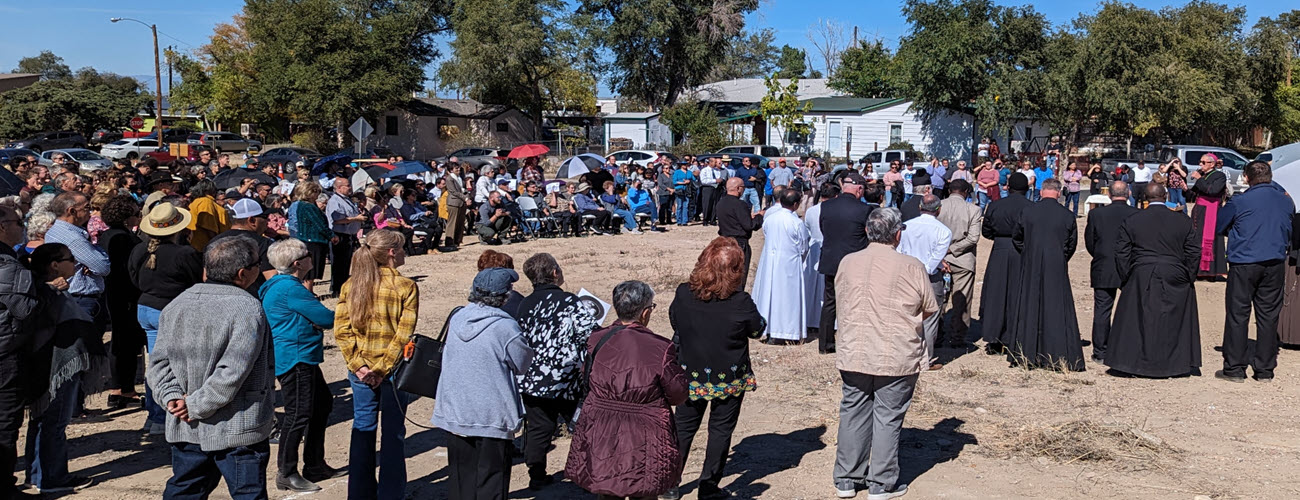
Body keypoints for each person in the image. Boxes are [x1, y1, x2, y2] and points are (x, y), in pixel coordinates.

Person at [148, 236, 275, 499]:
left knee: (185, 490)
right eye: (257, 263)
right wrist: (191, 405)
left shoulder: (176, 304)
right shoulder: (246, 308)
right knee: (247, 493)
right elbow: (232, 371)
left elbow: (158, 363)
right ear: (243, 273)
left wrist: (172, 399)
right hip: (236, 429)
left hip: (187, 425)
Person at [833, 208, 936, 500]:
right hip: (895, 352)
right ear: (898, 234)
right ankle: (880, 483)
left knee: (853, 411)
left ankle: (846, 479)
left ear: (867, 231)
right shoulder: (911, 266)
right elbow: (930, 306)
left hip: (855, 349)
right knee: (888, 416)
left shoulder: (848, 261)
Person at [565, 281, 689, 500]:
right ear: (644, 313)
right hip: (646, 432)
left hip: (601, 425)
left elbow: (587, 376)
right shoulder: (660, 347)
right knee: (644, 490)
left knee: (606, 486)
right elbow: (677, 393)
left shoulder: (597, 339)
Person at [667, 238, 766, 499]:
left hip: (690, 373)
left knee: (684, 428)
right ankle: (708, 487)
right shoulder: (741, 302)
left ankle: (670, 484)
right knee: (720, 430)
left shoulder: (683, 293)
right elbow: (757, 330)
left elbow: (674, 321)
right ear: (736, 271)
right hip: (729, 376)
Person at [433, 268, 533, 499]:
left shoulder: (457, 318)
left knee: (461, 479)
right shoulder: (506, 328)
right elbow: (522, 363)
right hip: (492, 416)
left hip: (456, 411)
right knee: (492, 481)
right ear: (505, 296)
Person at [333, 229, 418, 499]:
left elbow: (341, 331)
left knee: (363, 430)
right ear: (392, 253)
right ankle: (391, 494)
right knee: (393, 435)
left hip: (360, 371)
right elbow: (403, 334)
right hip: (392, 371)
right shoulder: (406, 287)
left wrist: (359, 366)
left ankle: (359, 493)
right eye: (402, 248)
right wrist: (382, 368)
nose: (405, 252)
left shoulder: (351, 285)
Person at [261, 239, 341, 492]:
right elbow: (326, 318)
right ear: (298, 263)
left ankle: (315, 463)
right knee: (298, 414)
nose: (312, 258)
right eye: (307, 255)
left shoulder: (278, 284)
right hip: (295, 357)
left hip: (298, 355)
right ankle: (286, 471)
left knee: (322, 405)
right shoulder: (291, 289)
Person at [512, 254, 598, 489]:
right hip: (565, 379)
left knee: (539, 428)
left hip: (531, 379)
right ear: (554, 273)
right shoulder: (568, 301)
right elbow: (590, 333)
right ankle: (586, 473)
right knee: (583, 425)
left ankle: (536, 475)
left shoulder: (524, 303)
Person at [23, 243, 102, 495]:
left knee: (42, 421)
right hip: (57, 364)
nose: (75, 264)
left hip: (49, 364)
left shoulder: (43, 290)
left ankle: (37, 475)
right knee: (54, 422)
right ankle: (52, 478)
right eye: (70, 259)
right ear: (54, 265)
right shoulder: (44, 293)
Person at [1106, 184, 1201, 377]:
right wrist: (1188, 275)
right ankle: (1174, 364)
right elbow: (1193, 251)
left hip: (1142, 270)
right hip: (1173, 270)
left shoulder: (1133, 220)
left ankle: (1133, 363)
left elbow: (1122, 252)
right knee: (1173, 319)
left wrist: (1127, 276)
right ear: (1165, 196)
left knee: (1138, 319)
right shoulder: (1182, 221)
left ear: (1144, 198)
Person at [1214, 161, 1294, 382]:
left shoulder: (1239, 201)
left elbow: (1219, 226)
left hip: (1245, 262)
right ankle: (1265, 369)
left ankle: (1235, 368)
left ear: (1246, 178)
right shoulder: (1286, 201)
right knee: (1268, 316)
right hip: (1274, 262)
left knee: (1238, 314)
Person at [1008, 178, 1083, 371]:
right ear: (1058, 193)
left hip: (1032, 262)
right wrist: (1060, 257)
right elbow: (1071, 244)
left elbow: (1017, 238)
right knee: (1056, 307)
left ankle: (1026, 352)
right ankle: (1057, 353)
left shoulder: (1028, 211)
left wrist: (1028, 252)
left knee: (1029, 304)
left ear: (1041, 192)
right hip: (1056, 263)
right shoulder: (1067, 215)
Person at [0, 205, 41, 500]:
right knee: (5, 421)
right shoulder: (10, 266)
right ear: (2, 226)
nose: (21, 226)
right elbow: (26, 312)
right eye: (17, 222)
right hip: (6, 353)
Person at [98, 195, 145, 408]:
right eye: (136, 213)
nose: (139, 216)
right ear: (127, 218)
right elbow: (124, 269)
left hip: (115, 294)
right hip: (124, 295)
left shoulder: (109, 235)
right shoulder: (121, 239)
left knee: (121, 341)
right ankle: (123, 389)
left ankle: (121, 388)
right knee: (125, 342)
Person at [978, 173, 1034, 354]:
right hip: (1021, 250)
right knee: (1017, 292)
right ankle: (1015, 336)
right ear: (1026, 189)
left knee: (996, 293)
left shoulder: (995, 206)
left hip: (1000, 249)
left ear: (1008, 187)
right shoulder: (1031, 207)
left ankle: (994, 338)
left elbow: (986, 231)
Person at [818, 173, 873, 354]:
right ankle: (851, 340)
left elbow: (823, 229)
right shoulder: (864, 209)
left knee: (830, 302)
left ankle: (825, 344)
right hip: (854, 261)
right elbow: (869, 235)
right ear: (859, 189)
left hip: (831, 258)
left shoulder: (826, 206)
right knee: (854, 302)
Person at [1083, 182, 1138, 362]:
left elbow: (1090, 241)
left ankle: (1100, 351)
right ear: (1128, 193)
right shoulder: (1136, 214)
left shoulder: (1097, 214)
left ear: (1109, 195)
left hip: (1104, 264)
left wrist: (1100, 254)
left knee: (1102, 310)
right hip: (1129, 266)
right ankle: (1127, 348)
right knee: (1131, 309)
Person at [897, 194, 952, 370]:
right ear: (938, 209)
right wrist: (925, 269)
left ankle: (904, 354)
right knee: (930, 318)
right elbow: (936, 258)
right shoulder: (943, 231)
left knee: (906, 315)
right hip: (930, 276)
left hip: (907, 274)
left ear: (920, 207)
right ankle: (925, 359)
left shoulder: (906, 226)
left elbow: (899, 250)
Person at [751, 188, 810, 343]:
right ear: (796, 204)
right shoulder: (796, 222)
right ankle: (787, 331)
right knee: (787, 298)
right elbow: (804, 245)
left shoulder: (770, 218)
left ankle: (769, 329)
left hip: (770, 262)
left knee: (770, 295)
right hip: (789, 264)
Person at [936, 180, 981, 347]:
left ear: (949, 190)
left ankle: (936, 335)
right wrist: (954, 249)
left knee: (939, 298)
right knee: (962, 300)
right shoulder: (973, 210)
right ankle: (957, 338)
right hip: (963, 260)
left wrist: (944, 251)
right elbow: (973, 238)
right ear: (967, 191)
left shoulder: (938, 205)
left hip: (939, 260)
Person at [209, 199, 275, 294]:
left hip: (217, 298)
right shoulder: (263, 243)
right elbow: (271, 278)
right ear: (252, 220)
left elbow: (205, 276)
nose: (267, 222)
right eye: (264, 217)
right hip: (253, 300)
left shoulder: (214, 242)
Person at [715, 177, 764, 290]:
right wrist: (759, 216)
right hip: (739, 244)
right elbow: (749, 225)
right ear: (738, 188)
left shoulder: (721, 203)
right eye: (743, 187)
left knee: (726, 275)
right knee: (738, 276)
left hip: (724, 242)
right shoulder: (740, 204)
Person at [1189, 153, 1229, 280]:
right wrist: (1185, 189)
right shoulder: (1203, 175)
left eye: (1203, 162)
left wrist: (1199, 179)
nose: (1200, 164)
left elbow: (1212, 191)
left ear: (1212, 164)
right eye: (1200, 162)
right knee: (1197, 239)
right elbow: (1194, 193)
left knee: (1211, 241)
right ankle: (1198, 271)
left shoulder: (1219, 176)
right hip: (1200, 211)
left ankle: (1210, 272)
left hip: (1211, 211)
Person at [803, 184, 837, 331]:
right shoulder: (835, 211)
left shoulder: (811, 211)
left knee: (812, 285)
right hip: (827, 247)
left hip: (814, 248)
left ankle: (810, 319)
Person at [288, 181, 332, 292]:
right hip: (312, 240)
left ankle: (310, 290)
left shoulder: (306, 205)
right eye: (316, 191)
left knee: (312, 268)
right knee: (311, 269)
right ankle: (308, 291)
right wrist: (331, 235)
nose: (317, 194)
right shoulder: (307, 206)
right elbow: (319, 224)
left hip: (310, 239)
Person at [326, 177, 365, 296]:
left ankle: (343, 286)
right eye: (347, 186)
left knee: (346, 263)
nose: (350, 188)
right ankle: (337, 289)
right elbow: (336, 220)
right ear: (339, 187)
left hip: (349, 235)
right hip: (339, 235)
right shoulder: (335, 201)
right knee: (338, 263)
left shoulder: (346, 200)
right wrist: (356, 219)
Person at [184, 180, 230, 251]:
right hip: (205, 246)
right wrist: (217, 246)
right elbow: (208, 226)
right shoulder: (205, 202)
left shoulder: (197, 201)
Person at [444, 163, 470, 250]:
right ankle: (449, 241)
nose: (458, 170)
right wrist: (465, 198)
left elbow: (462, 189)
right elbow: (453, 191)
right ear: (451, 170)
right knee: (452, 222)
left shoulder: (459, 178)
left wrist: (467, 195)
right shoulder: (449, 179)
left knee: (460, 222)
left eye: (458, 168)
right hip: (453, 202)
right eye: (456, 168)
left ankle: (457, 240)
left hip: (461, 203)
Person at [699, 158, 726, 225]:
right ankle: (705, 219)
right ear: (710, 162)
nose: (716, 163)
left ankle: (712, 219)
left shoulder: (717, 170)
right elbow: (703, 181)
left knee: (715, 204)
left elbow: (718, 178)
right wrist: (714, 181)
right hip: (707, 188)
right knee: (707, 204)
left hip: (716, 188)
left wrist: (719, 181)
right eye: (715, 162)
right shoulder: (704, 170)